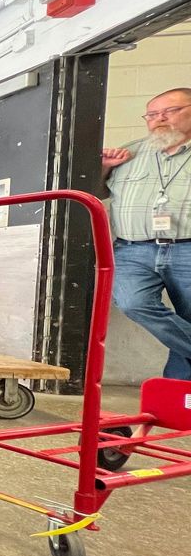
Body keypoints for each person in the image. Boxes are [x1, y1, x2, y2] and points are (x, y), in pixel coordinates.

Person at [101, 87, 191, 379]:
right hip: (133, 249)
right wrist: (102, 168)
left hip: (187, 248)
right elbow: (91, 192)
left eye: (170, 111)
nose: (159, 119)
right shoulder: (129, 153)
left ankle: (179, 400)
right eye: (152, 114)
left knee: (187, 322)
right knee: (133, 303)